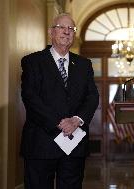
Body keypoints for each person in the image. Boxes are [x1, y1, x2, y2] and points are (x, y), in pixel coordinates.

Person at [20, 13, 99, 189]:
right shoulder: (33, 61)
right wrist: (60, 123)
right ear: (51, 32)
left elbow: (92, 97)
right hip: (41, 142)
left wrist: (76, 120)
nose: (66, 32)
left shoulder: (84, 64)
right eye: (61, 27)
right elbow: (30, 98)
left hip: (74, 143)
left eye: (71, 28)